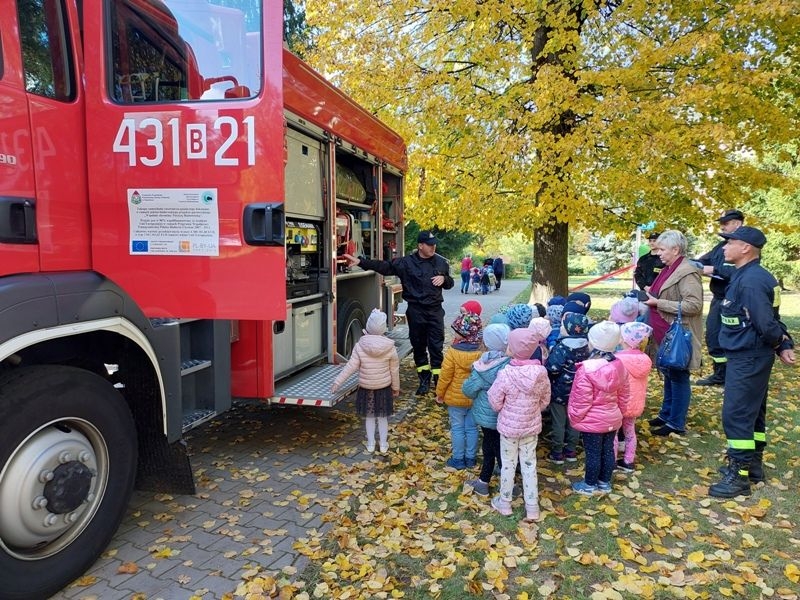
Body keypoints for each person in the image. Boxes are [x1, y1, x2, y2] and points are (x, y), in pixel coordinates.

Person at [707, 226, 795, 498]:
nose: (724, 247)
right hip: (747, 355)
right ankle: (753, 467)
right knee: (753, 412)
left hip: (749, 356)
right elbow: (773, 317)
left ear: (745, 247)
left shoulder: (752, 281)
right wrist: (785, 343)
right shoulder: (749, 275)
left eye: (729, 242)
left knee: (737, 414)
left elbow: (767, 322)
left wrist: (781, 343)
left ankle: (739, 476)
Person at [343, 230, 454, 396]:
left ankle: (439, 382)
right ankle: (424, 379)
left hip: (435, 310)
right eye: (429, 245)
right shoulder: (406, 263)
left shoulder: (440, 263)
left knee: (436, 346)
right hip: (416, 310)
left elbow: (450, 282)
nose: (433, 247)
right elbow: (385, 267)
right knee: (418, 346)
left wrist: (445, 280)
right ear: (420, 246)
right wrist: (361, 261)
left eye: (434, 244)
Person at [643, 230, 704, 436]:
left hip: (678, 335)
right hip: (664, 333)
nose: (657, 252)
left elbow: (694, 305)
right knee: (669, 374)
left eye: (662, 249)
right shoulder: (668, 268)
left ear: (675, 250)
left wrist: (658, 302)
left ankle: (676, 422)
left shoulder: (687, 272)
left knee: (678, 376)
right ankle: (666, 413)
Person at [488, 328, 552, 521]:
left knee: (508, 464)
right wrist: (534, 410)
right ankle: (532, 507)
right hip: (531, 426)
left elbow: (495, 400)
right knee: (529, 464)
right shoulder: (541, 372)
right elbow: (545, 399)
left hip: (509, 428)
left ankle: (505, 502)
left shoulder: (505, 373)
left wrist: (502, 409)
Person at [568, 321, 631, 495]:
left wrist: (575, 417)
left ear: (593, 342)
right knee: (608, 450)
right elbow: (624, 394)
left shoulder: (586, 370)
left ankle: (589, 485)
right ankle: (604, 482)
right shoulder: (619, 366)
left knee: (593, 453)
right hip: (612, 417)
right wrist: (621, 413)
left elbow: (581, 399)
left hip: (592, 420)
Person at [331, 309, 400, 453]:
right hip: (383, 388)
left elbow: (350, 367)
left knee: (369, 417)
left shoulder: (360, 345)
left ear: (368, 327)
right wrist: (396, 387)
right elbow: (394, 370)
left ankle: (370, 443)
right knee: (382, 418)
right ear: (383, 328)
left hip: (367, 387)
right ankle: (383, 445)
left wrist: (337, 382)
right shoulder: (390, 348)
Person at [694, 209, 745, 386]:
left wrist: (714, 270)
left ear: (737, 223)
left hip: (734, 300)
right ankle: (720, 375)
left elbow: (740, 271)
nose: (721, 226)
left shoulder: (746, 245)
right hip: (718, 299)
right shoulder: (720, 246)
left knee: (732, 338)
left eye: (725, 223)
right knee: (713, 336)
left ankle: (733, 377)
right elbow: (701, 261)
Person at [462, 323, 511, 496]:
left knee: (492, 447)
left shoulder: (483, 366)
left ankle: (499, 483)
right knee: (500, 448)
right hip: (506, 415)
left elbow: (468, 389)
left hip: (486, 416)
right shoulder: (511, 363)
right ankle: (489, 479)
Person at [435, 310, 484, 470]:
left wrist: (440, 393)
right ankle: (470, 458)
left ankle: (458, 458)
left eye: (456, 331)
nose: (453, 333)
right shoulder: (481, 353)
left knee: (457, 428)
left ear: (462, 334)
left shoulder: (453, 353)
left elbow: (445, 376)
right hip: (474, 397)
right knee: (471, 428)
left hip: (456, 399)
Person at [545, 312, 591, 464]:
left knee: (558, 420)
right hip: (580, 390)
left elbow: (552, 368)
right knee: (574, 420)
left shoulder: (562, 347)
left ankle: (557, 452)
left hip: (559, 390)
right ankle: (571, 449)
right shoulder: (588, 346)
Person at [614, 322, 654, 472]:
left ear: (625, 339)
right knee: (630, 431)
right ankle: (628, 461)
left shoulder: (618, 359)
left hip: (619, 402)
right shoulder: (645, 359)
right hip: (636, 404)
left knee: (614, 432)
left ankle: (611, 460)